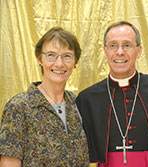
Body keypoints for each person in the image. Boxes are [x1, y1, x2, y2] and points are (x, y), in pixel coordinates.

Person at [76, 21, 148, 167]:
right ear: (105, 50)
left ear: (139, 50)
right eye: (113, 45)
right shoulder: (87, 99)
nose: (119, 52)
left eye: (127, 45)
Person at [0, 27, 89, 166]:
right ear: (39, 58)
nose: (59, 63)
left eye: (67, 56)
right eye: (51, 55)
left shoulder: (78, 104)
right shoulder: (19, 107)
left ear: (75, 62)